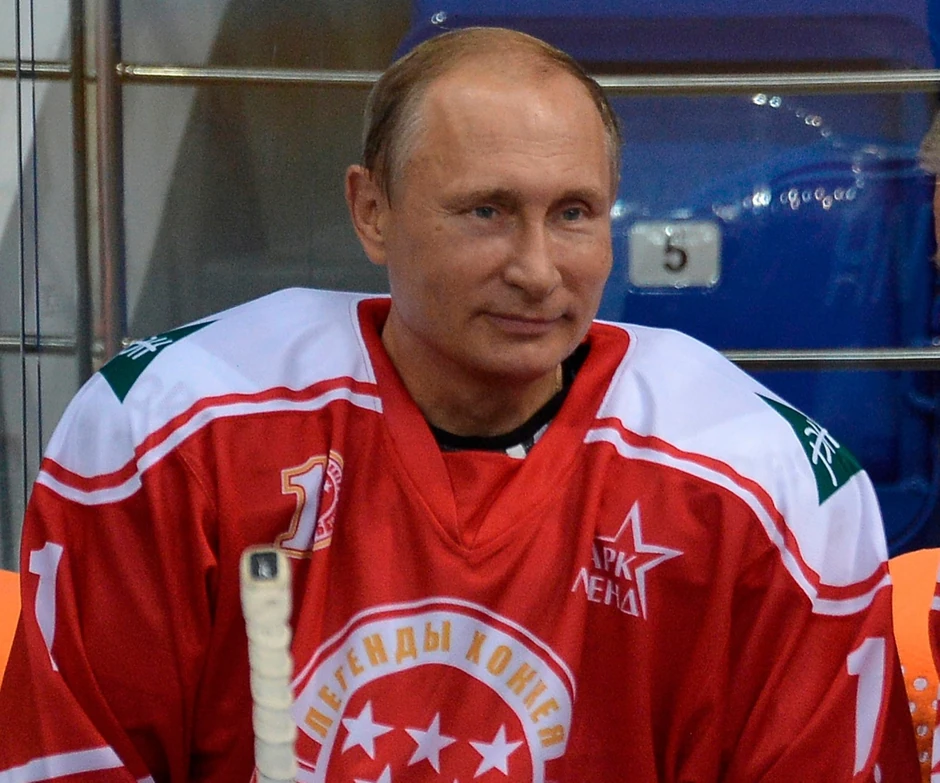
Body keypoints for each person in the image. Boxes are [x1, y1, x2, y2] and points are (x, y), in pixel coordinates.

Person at [0, 26, 919, 782]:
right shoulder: (170, 432)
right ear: (372, 211)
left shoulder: (765, 483)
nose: (537, 270)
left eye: (573, 213)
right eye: (487, 211)